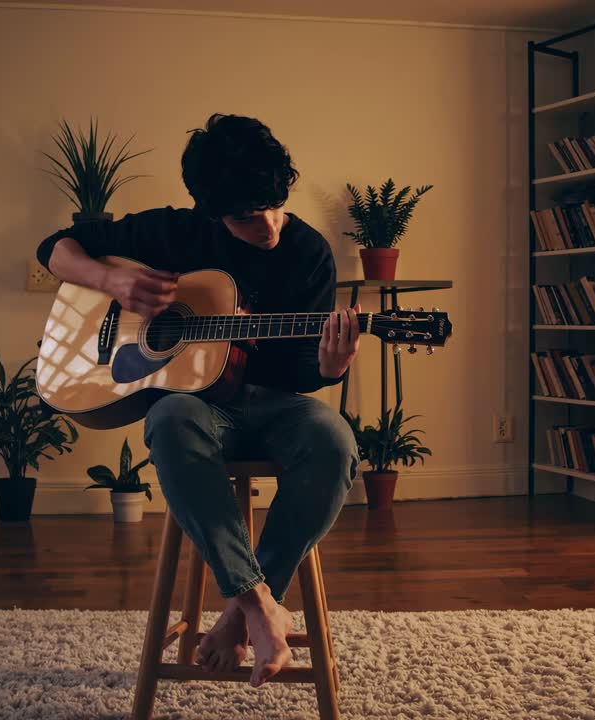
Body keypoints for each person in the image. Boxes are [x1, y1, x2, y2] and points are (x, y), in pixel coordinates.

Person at [35, 113, 361, 688]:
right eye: (242, 217)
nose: (264, 225)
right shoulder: (176, 234)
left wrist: (327, 367)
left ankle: (241, 613)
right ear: (211, 213)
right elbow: (53, 249)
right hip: (201, 408)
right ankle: (258, 605)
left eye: (271, 205)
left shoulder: (308, 251)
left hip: (275, 404)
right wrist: (112, 282)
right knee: (170, 414)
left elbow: (299, 372)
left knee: (333, 440)